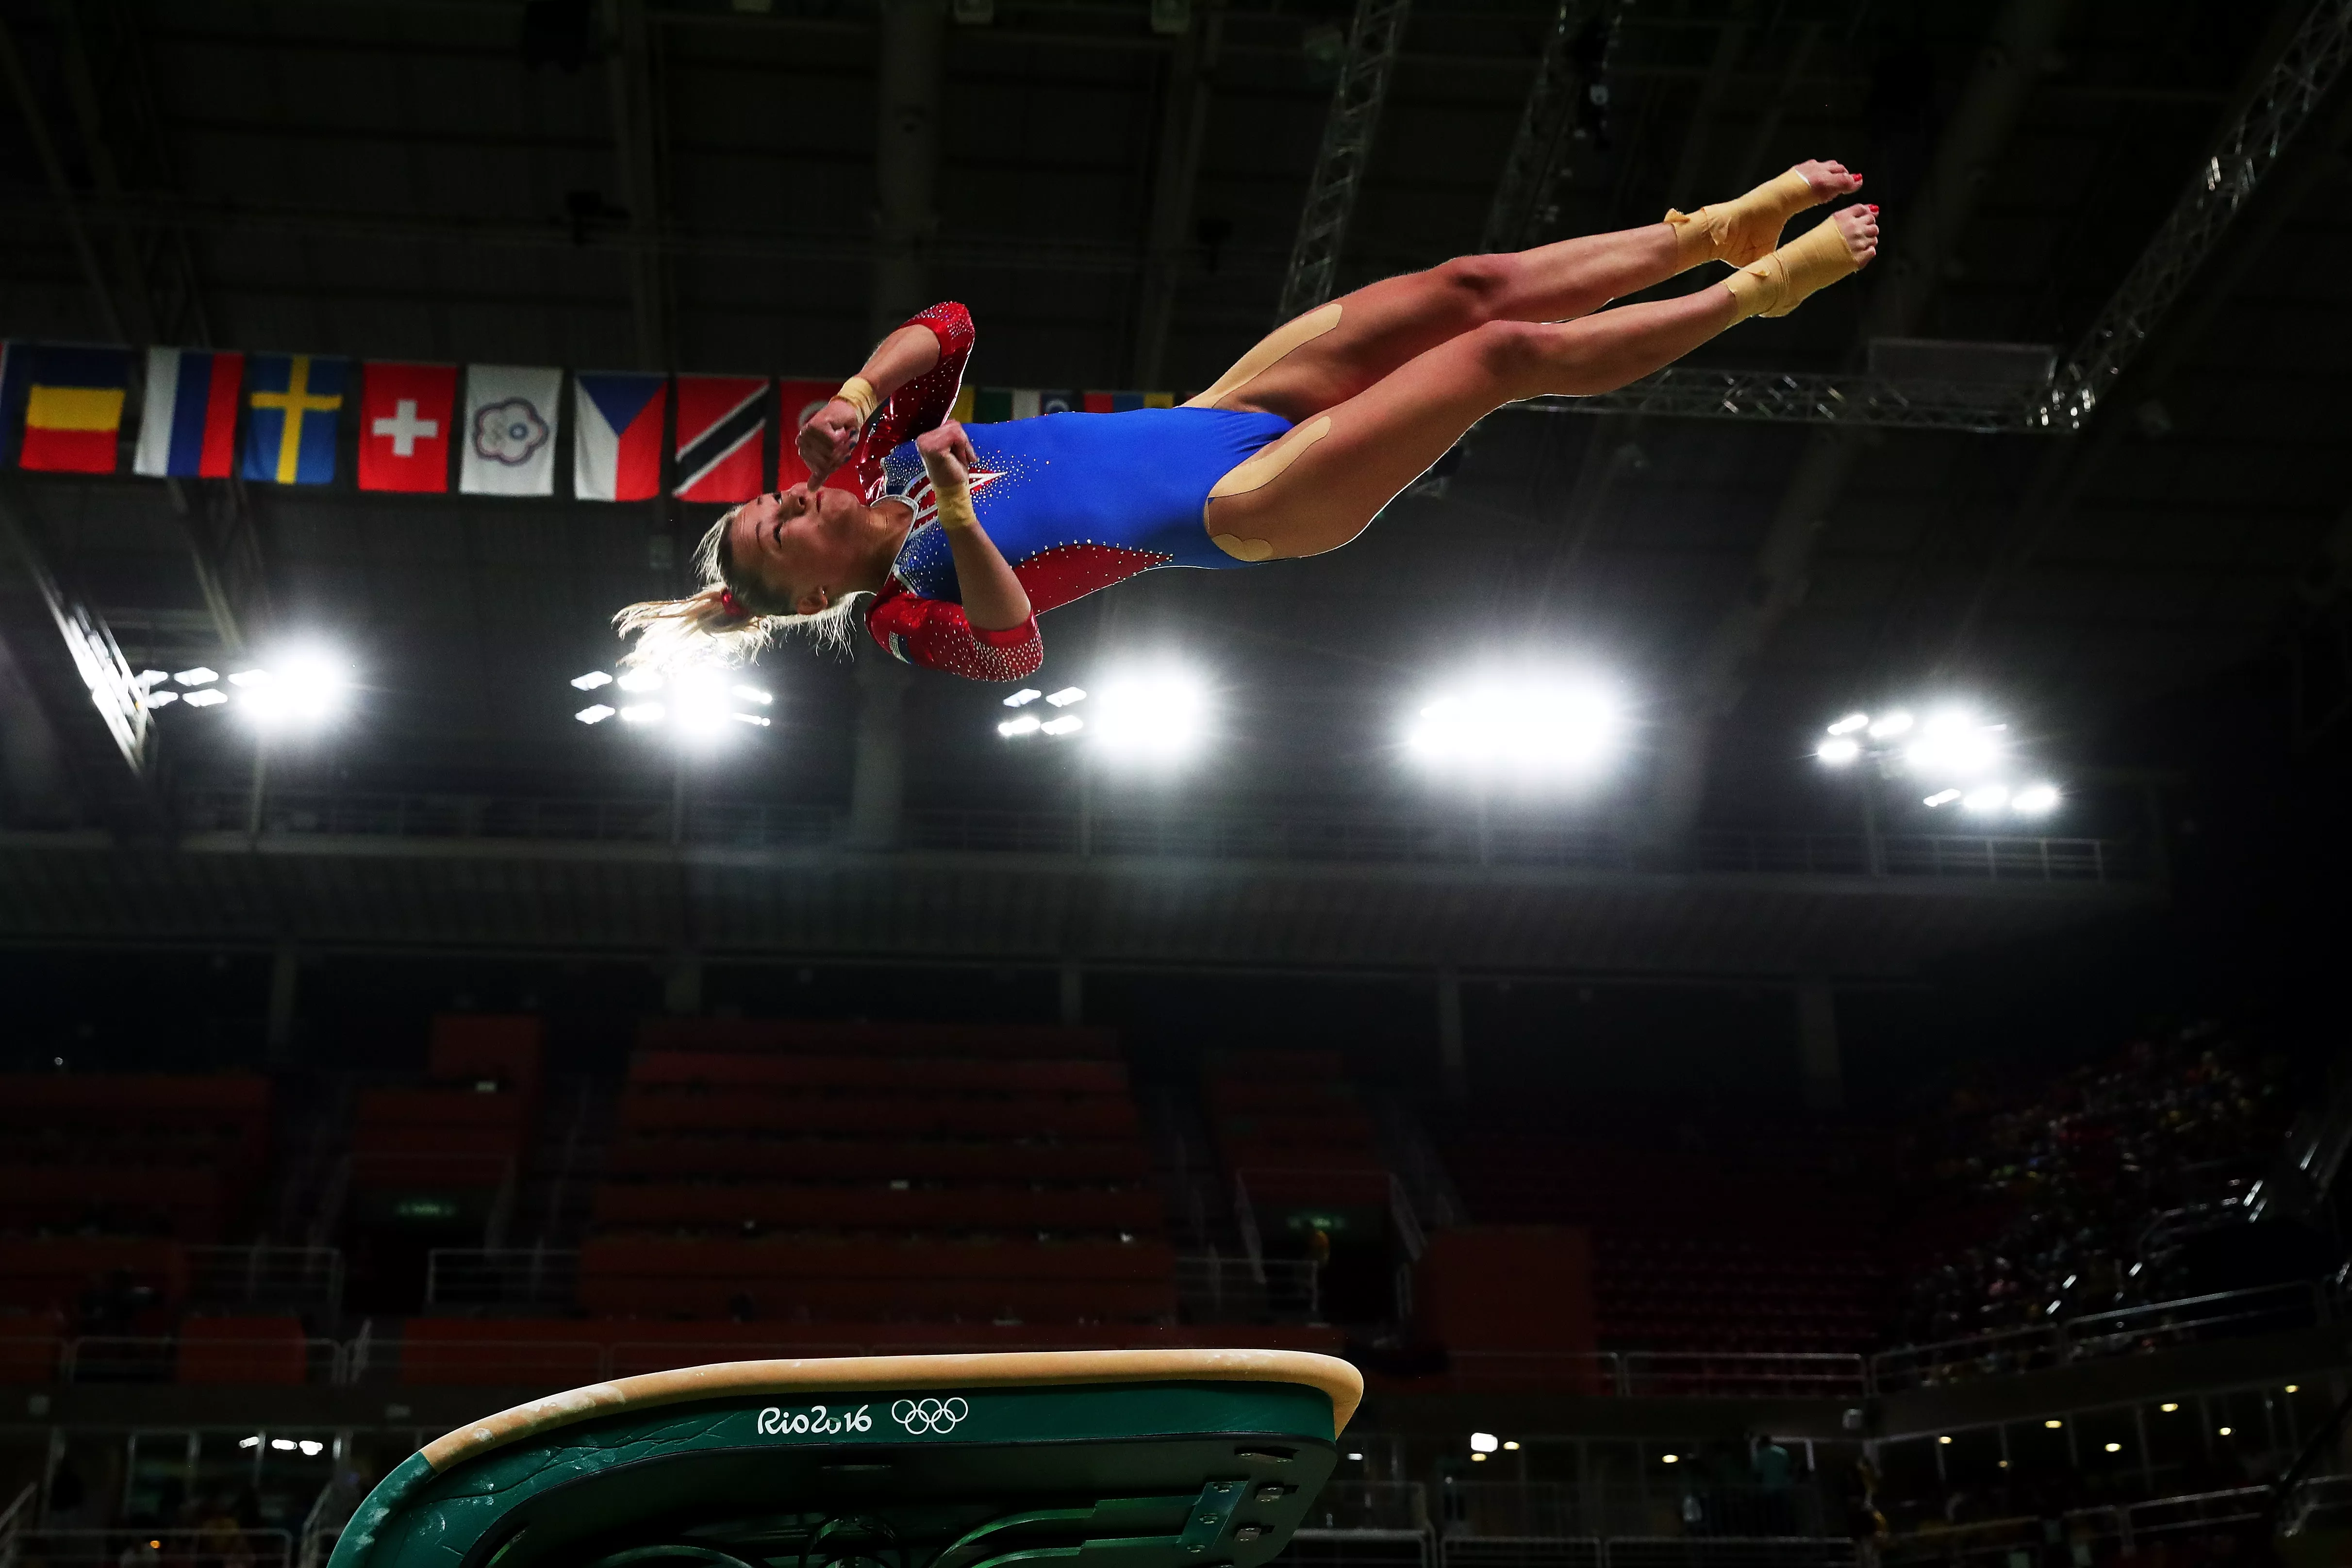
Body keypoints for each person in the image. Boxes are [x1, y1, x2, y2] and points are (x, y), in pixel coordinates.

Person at [617, 164, 1878, 679]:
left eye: (773, 497)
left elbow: (946, 323)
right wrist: (954, 509)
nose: (796, 497)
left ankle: (1713, 233)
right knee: (1501, 356)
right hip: (1244, 507)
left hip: (1225, 412)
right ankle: (1758, 291)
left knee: (1466, 287)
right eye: (783, 529)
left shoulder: (887, 451)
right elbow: (1011, 651)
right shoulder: (905, 607)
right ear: (814, 589)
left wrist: (852, 395)